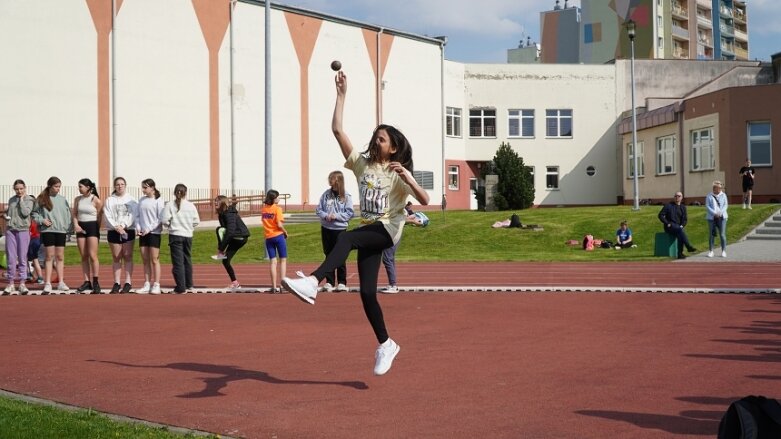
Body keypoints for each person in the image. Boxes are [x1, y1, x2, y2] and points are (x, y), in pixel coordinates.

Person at [282, 70, 430, 376]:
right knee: (366, 293)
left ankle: (313, 282)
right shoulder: (361, 164)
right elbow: (337, 130)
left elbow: (426, 200)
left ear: (393, 147)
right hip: (369, 231)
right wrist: (341, 95)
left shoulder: (397, 173)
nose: (377, 140)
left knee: (346, 238)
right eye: (376, 137)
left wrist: (410, 179)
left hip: (387, 230)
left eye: (383, 138)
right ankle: (387, 343)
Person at [315, 170, 354, 292]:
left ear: (338, 181)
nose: (329, 181)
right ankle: (329, 282)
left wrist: (336, 216)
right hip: (326, 228)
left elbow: (350, 213)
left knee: (340, 255)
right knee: (328, 255)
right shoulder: (326, 194)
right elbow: (318, 209)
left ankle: (342, 282)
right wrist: (326, 215)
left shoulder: (346, 196)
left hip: (340, 229)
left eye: (331, 178)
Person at [32, 176, 72, 293]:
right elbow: (34, 214)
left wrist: (67, 227)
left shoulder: (62, 199)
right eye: (56, 186)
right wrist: (42, 220)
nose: (58, 189)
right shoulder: (41, 199)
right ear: (50, 186)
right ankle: (47, 283)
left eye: (59, 186)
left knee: (60, 257)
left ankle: (60, 282)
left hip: (61, 231)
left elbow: (67, 214)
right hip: (48, 231)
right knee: (49, 256)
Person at [162, 183, 200, 294]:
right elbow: (196, 221)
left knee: (178, 262)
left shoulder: (170, 205)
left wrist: (170, 225)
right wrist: (188, 227)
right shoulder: (191, 205)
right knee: (187, 260)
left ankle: (180, 287)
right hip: (188, 235)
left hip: (175, 235)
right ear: (185, 193)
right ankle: (189, 284)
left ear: (175, 192)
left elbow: (164, 220)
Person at [103, 177, 138, 293]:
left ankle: (128, 282)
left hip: (128, 230)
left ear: (125, 185)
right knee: (117, 257)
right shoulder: (109, 200)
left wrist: (123, 225)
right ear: (114, 186)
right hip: (114, 230)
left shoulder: (131, 200)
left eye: (122, 184)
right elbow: (107, 215)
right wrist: (116, 226)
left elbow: (133, 215)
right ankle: (117, 283)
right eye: (117, 184)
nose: (120, 186)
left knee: (127, 256)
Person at [212, 195, 250, 290]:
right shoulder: (222, 214)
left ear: (223, 203)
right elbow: (227, 232)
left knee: (219, 230)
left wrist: (221, 248)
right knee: (225, 261)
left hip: (240, 237)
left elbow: (230, 232)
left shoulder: (229, 213)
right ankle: (235, 283)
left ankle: (221, 252)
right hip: (235, 236)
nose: (215, 203)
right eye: (215, 201)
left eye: (218, 201)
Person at [4, 179, 35, 295]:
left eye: (21, 188)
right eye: (17, 189)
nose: (19, 191)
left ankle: (22, 283)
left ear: (25, 188)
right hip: (11, 230)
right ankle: (10, 283)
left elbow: (26, 213)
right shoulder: (11, 200)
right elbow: (10, 214)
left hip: (23, 230)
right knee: (11, 257)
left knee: (22, 257)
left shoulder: (29, 200)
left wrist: (21, 200)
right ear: (14, 189)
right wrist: (6, 216)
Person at [72, 178, 103, 294]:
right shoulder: (77, 199)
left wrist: (96, 229)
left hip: (92, 227)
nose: (79, 188)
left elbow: (100, 216)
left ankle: (95, 281)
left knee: (92, 255)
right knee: (84, 255)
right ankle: (86, 281)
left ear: (88, 187)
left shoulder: (96, 200)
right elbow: (74, 214)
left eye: (81, 186)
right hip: (80, 227)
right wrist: (76, 225)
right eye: (79, 186)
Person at [135, 179, 165, 294]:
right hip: (143, 233)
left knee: (154, 259)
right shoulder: (141, 200)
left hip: (154, 233)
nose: (143, 190)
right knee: (145, 259)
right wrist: (138, 227)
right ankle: (147, 284)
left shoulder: (158, 200)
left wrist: (149, 229)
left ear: (152, 188)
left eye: (145, 187)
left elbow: (160, 218)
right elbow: (137, 216)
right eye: (142, 187)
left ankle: (156, 284)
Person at [261, 190, 288, 293]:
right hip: (278, 236)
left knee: (273, 261)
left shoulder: (264, 209)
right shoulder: (277, 209)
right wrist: (285, 232)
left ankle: (273, 287)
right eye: (277, 197)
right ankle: (282, 286)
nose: (279, 198)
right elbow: (279, 224)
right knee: (283, 260)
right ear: (273, 199)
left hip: (268, 237)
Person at [658, 191, 697, 259]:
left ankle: (680, 254)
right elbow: (660, 215)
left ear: (681, 198)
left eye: (679, 196)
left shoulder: (683, 207)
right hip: (669, 227)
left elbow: (685, 220)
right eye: (676, 196)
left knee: (680, 232)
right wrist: (667, 223)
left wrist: (682, 225)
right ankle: (688, 247)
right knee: (680, 231)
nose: (677, 197)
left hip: (678, 227)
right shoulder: (668, 205)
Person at [706, 180, 729, 258]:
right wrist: (714, 213)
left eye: (720, 187)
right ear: (714, 188)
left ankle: (723, 251)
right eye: (718, 187)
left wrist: (720, 213)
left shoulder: (723, 195)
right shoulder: (709, 195)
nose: (720, 189)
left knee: (722, 234)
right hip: (711, 218)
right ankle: (711, 251)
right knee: (711, 235)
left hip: (722, 217)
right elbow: (707, 206)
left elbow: (725, 205)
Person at [27, 220, 44, 286]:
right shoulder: (37, 220)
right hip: (38, 239)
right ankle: (37, 276)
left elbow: (28, 232)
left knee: (32, 259)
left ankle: (33, 275)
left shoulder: (29, 221)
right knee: (35, 259)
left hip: (32, 240)